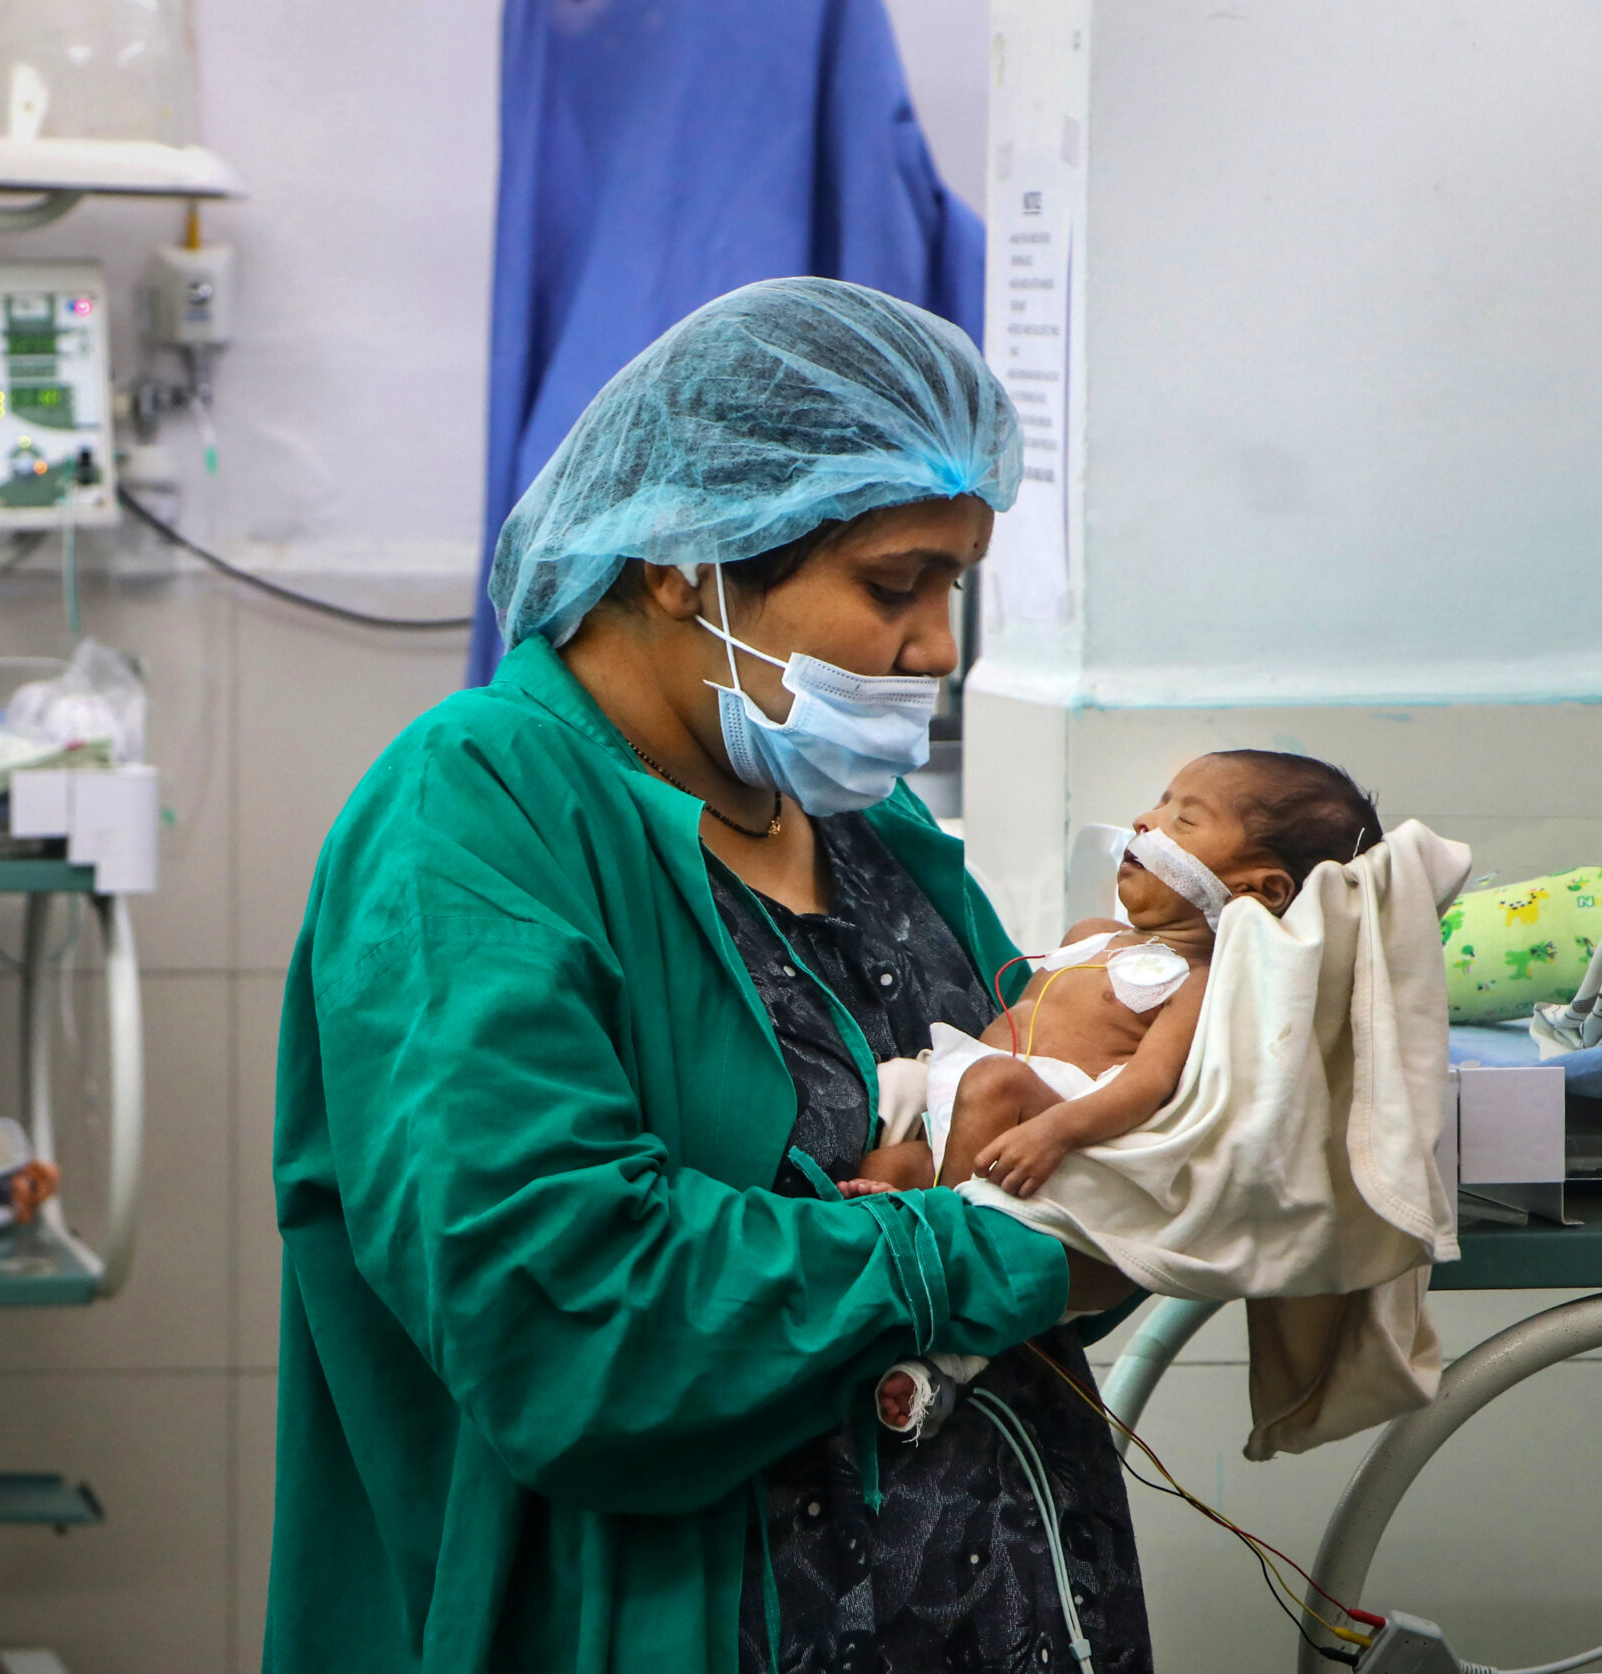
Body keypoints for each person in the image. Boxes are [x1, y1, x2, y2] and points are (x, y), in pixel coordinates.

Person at [267, 277, 1148, 1674]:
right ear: (690, 558)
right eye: (893, 583)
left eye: (953, 585)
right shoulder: (475, 813)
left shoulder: (875, 835)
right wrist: (999, 1249)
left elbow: (1044, 1117)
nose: (936, 646)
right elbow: (574, 1318)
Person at [859, 750, 1383, 1200]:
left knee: (998, 1081)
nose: (1144, 821)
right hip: (958, 1110)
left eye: (1184, 822)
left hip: (1040, 1121)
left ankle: (948, 1231)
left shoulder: (1195, 983)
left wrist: (1055, 1133)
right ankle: (900, 1205)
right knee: (890, 1167)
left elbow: (1146, 1085)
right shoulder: (1091, 934)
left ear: (1260, 892)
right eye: (1160, 803)